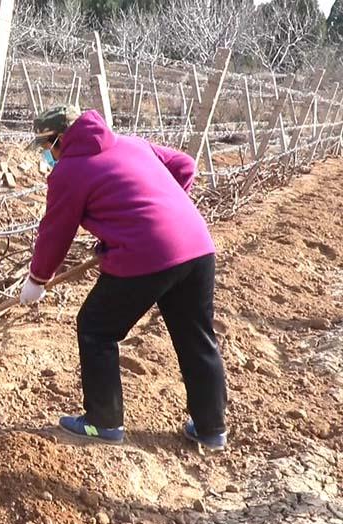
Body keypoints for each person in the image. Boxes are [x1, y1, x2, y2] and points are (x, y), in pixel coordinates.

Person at [21, 105, 228, 450]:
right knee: (196, 335)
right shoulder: (133, 144)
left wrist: (37, 279)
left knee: (96, 327)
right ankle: (211, 430)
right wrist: (161, 213)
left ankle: (103, 422)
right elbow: (185, 165)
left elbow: (55, 232)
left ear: (59, 140)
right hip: (197, 246)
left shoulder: (70, 171)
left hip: (148, 255)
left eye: (46, 146)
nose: (46, 154)